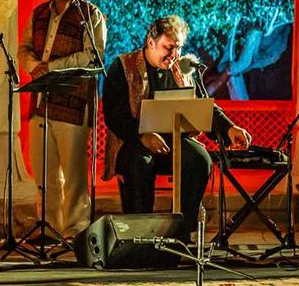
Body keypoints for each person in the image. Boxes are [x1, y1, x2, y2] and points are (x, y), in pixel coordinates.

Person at [102, 15, 251, 236]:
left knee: (200, 159)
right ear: (150, 43)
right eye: (168, 47)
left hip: (175, 142)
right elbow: (114, 115)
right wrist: (143, 135)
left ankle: (181, 231)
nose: (174, 55)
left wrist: (229, 128)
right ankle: (140, 234)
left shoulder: (184, 68)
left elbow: (203, 105)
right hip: (135, 141)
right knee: (139, 162)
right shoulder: (123, 66)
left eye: (178, 48)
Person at [17, 0, 106, 238]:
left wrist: (52, 67)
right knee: (45, 176)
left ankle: (76, 231)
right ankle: (49, 228)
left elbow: (94, 56)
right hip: (41, 104)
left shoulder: (90, 15)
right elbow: (25, 48)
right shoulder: (40, 13)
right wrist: (33, 67)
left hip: (72, 105)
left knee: (74, 176)